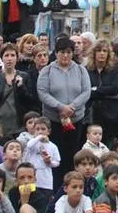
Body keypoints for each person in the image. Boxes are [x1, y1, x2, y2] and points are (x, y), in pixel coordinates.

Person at [37, 37, 92, 178]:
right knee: (55, 153)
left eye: (68, 52)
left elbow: (86, 91)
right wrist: (60, 107)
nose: (65, 55)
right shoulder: (47, 71)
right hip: (54, 120)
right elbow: (42, 92)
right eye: (62, 52)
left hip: (75, 119)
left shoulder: (81, 70)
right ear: (56, 53)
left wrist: (72, 107)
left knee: (73, 153)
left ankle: (72, 180)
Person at [0, 44, 34, 142]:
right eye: (6, 55)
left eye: (12, 55)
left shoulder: (24, 76)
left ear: (17, 58)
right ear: (2, 58)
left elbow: (30, 101)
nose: (9, 59)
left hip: (19, 126)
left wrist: (22, 87)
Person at [86, 42, 118, 148]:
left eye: (105, 51)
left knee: (108, 146)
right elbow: (86, 91)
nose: (102, 53)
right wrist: (104, 91)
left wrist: (95, 89)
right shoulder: (86, 70)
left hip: (111, 115)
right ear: (93, 53)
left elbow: (115, 89)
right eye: (99, 50)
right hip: (92, 114)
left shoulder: (114, 70)